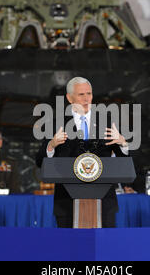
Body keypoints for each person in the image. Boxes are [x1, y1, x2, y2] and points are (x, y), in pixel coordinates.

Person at [35, 77, 130, 228]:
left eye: (89, 94)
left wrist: (123, 144)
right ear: (69, 97)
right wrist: (51, 145)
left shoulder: (107, 121)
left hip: (104, 203)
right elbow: (40, 161)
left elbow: (124, 162)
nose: (86, 99)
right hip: (67, 203)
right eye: (81, 95)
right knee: (69, 249)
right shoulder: (56, 124)